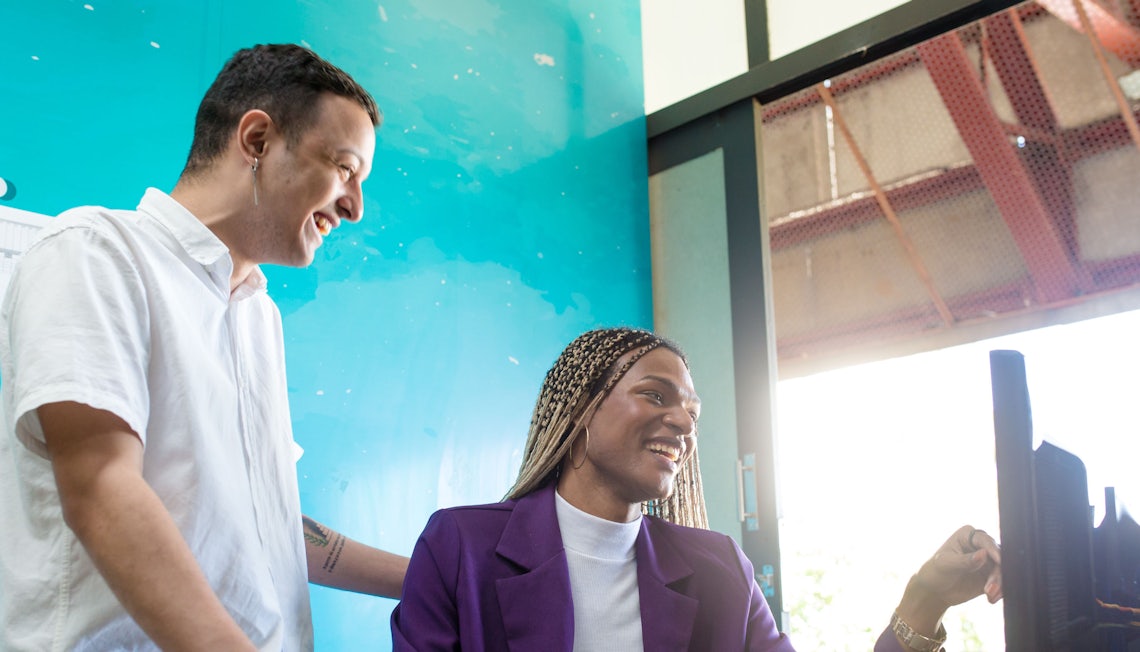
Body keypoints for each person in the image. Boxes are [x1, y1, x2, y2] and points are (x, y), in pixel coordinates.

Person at [0, 44, 408, 651]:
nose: (355, 207)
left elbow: (267, 527)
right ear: (258, 140)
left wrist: (442, 574)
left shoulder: (258, 316)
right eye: (345, 168)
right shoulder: (95, 250)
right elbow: (101, 485)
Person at [391, 327, 1003, 651]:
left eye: (692, 411)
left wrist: (924, 601)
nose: (684, 423)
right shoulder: (459, 547)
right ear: (579, 410)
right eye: (655, 396)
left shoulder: (717, 570)